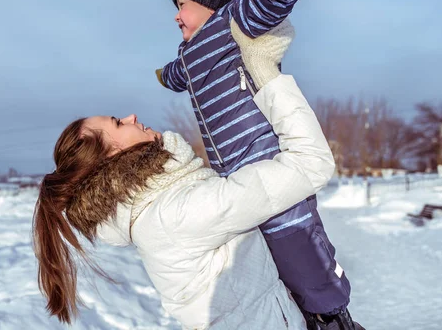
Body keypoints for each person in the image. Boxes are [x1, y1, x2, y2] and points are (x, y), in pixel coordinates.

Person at [33, 21, 339, 329]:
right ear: (109, 156)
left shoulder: (162, 206)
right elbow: (311, 162)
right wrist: (266, 74)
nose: (131, 117)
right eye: (117, 122)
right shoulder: (177, 214)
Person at [155, 0, 360, 328]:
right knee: (267, 262)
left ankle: (334, 316)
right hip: (235, 180)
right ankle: (303, 315)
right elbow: (182, 73)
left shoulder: (233, 23)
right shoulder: (189, 52)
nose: (176, 15)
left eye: (182, 5)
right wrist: (168, 76)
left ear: (212, 1)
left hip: (268, 162)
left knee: (297, 244)